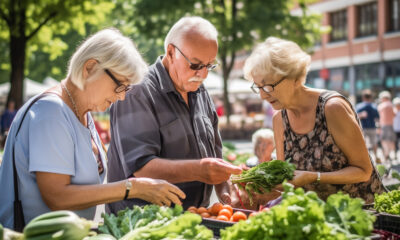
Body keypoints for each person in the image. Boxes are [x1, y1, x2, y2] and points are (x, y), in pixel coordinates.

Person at [0, 29, 185, 229]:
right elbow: (57, 196)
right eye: (120, 85)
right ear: (90, 67)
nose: (122, 97)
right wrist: (133, 188)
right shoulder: (51, 111)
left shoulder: (83, 113)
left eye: (127, 89)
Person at [106, 16, 242, 214]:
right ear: (171, 52)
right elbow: (141, 167)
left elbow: (214, 153)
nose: (203, 74)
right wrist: (201, 170)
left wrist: (225, 187)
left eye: (210, 65)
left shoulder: (200, 91)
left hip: (193, 218)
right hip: (143, 223)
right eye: (195, 65)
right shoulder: (137, 92)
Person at [240, 37, 385, 204]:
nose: (263, 95)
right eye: (258, 87)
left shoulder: (332, 108)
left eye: (268, 86)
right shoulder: (279, 119)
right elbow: (289, 181)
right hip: (319, 216)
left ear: (294, 77)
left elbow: (363, 171)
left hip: (362, 215)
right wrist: (259, 188)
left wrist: (313, 177)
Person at [355, 89, 380, 161]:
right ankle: (376, 157)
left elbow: (355, 116)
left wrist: (361, 115)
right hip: (372, 127)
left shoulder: (359, 106)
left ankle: (364, 158)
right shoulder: (374, 106)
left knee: (363, 143)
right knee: (374, 142)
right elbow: (377, 118)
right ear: (371, 97)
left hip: (363, 127)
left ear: (363, 97)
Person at [378, 91, 396, 162]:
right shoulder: (391, 105)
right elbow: (394, 115)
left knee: (384, 141)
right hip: (391, 125)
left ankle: (386, 154)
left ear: (384, 98)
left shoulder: (381, 106)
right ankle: (392, 154)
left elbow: (379, 117)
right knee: (391, 141)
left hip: (384, 125)